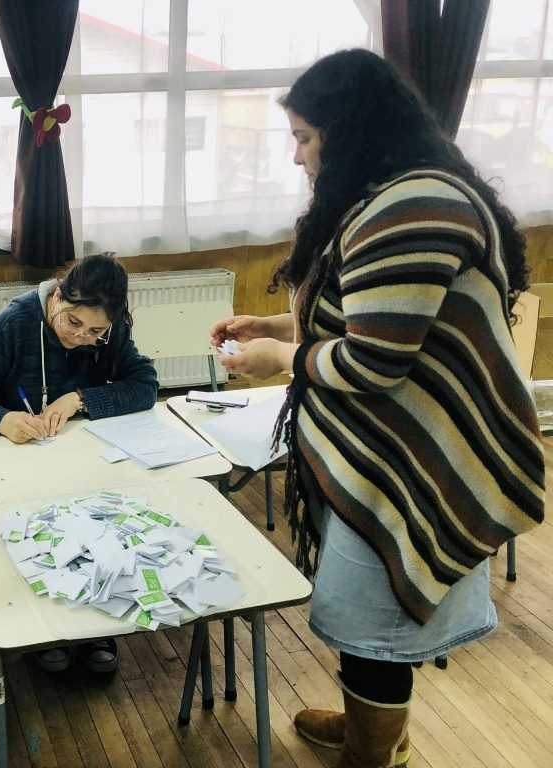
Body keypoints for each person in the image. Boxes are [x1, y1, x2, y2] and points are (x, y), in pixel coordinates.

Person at [211, 49, 545, 768]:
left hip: (412, 461)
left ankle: (375, 751)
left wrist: (281, 359)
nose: (297, 156)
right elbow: (367, 313)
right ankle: (375, 726)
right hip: (384, 452)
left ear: (350, 129)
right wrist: (275, 325)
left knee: (375, 623)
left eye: (304, 137)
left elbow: (374, 360)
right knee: (372, 618)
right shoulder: (388, 194)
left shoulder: (413, 207)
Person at [0, 252, 158, 671]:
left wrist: (79, 399)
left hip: (80, 460)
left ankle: (97, 616)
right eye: (72, 322)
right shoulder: (14, 324)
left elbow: (145, 385)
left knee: (97, 526)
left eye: (96, 331)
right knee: (35, 532)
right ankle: (42, 615)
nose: (81, 337)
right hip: (17, 463)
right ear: (58, 296)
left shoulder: (110, 332)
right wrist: (1, 418)